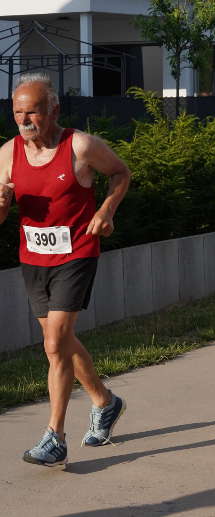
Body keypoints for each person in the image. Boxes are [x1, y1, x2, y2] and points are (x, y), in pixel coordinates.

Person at [0, 72, 131, 466]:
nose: (26, 121)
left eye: (34, 112)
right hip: (34, 258)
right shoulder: (8, 153)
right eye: (18, 113)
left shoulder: (80, 145)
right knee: (62, 342)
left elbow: (121, 173)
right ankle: (105, 402)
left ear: (53, 109)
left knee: (55, 344)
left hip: (76, 253)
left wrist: (106, 208)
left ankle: (54, 436)